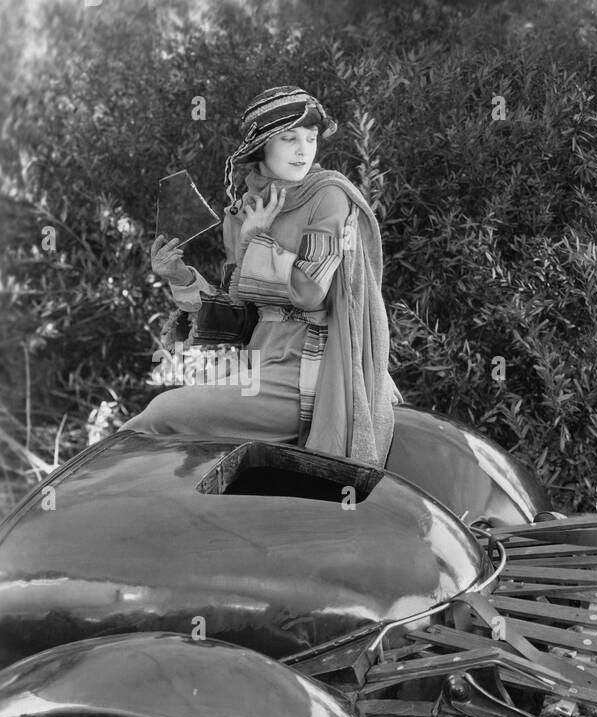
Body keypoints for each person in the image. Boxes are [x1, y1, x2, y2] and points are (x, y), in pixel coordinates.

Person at [122, 86, 399, 466]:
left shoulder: (328, 195)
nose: (304, 150)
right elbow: (240, 315)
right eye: (289, 139)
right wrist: (181, 276)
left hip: (310, 372)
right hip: (258, 362)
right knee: (173, 419)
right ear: (261, 147)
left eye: (311, 138)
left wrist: (259, 239)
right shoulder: (241, 211)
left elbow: (310, 292)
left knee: (161, 413)